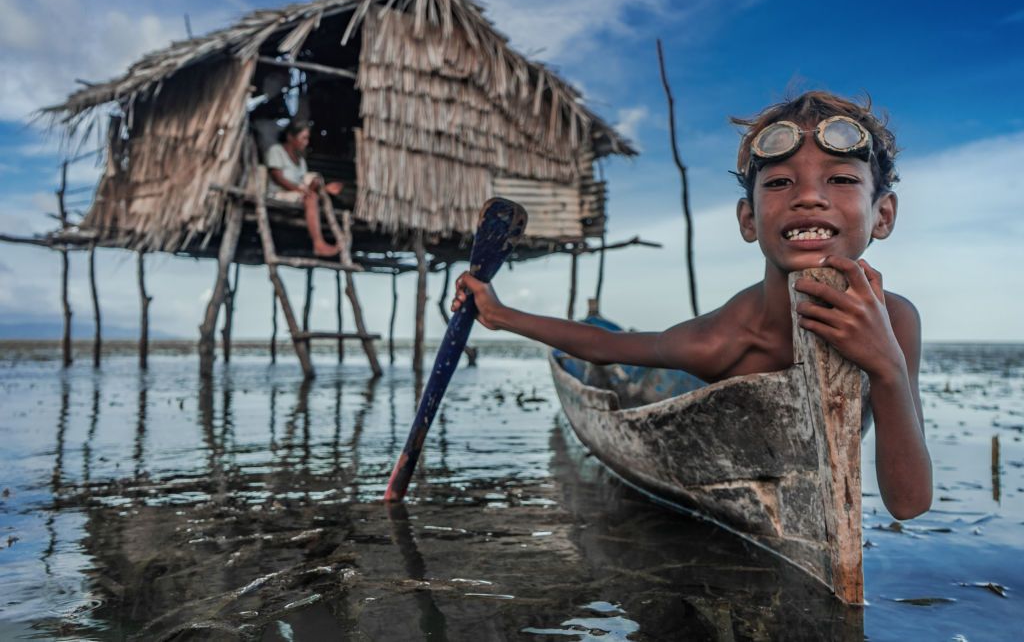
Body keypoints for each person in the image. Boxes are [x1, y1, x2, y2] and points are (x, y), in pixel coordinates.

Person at [452, 90, 932, 520]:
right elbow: (606, 346)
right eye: (780, 183)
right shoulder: (725, 338)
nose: (809, 197)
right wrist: (500, 315)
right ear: (748, 220)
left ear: (883, 215)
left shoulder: (896, 322)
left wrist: (887, 367)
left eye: (842, 180)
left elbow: (908, 504)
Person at [265, 120, 345, 258]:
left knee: (315, 180)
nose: (306, 142)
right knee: (311, 197)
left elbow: (305, 184)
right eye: (303, 138)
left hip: (296, 194)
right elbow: (278, 178)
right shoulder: (276, 151)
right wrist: (302, 191)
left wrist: (321, 187)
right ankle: (318, 243)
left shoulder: (301, 161)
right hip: (278, 194)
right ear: (291, 137)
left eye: (307, 138)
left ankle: (325, 189)